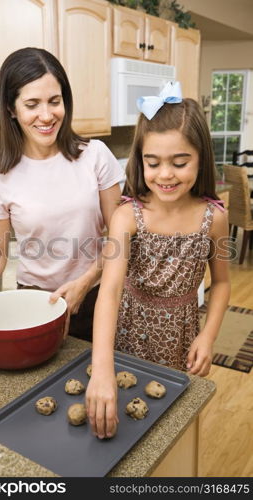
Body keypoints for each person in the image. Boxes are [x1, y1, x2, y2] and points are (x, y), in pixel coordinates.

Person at [85, 82, 231, 439]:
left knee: (169, 424)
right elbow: (111, 289)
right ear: (140, 161)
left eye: (180, 163)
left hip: (181, 337)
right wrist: (101, 364)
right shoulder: (127, 216)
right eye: (153, 163)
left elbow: (223, 283)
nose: (165, 175)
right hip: (129, 332)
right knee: (128, 415)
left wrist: (208, 336)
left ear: (201, 159)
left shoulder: (215, 218)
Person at [0, 47, 124, 340]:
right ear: (11, 109)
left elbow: (122, 237)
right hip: (33, 305)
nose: (46, 115)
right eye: (32, 104)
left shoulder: (95, 156)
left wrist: (87, 280)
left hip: (98, 295)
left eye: (54, 101)